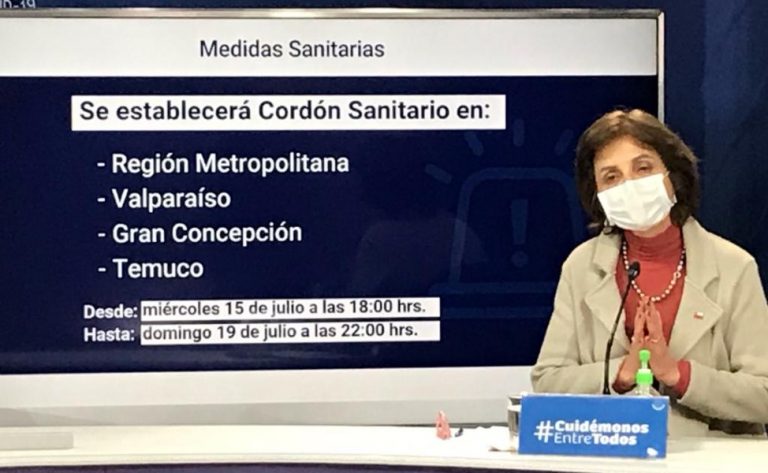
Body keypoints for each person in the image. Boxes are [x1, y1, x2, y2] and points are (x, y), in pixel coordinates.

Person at [531, 109, 768, 437]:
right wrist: (622, 373)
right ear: (598, 195)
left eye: (643, 168)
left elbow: (763, 393)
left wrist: (677, 374)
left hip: (713, 456)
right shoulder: (581, 267)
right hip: (610, 453)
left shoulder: (733, 266)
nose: (629, 185)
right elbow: (547, 382)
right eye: (611, 177)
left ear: (674, 176)